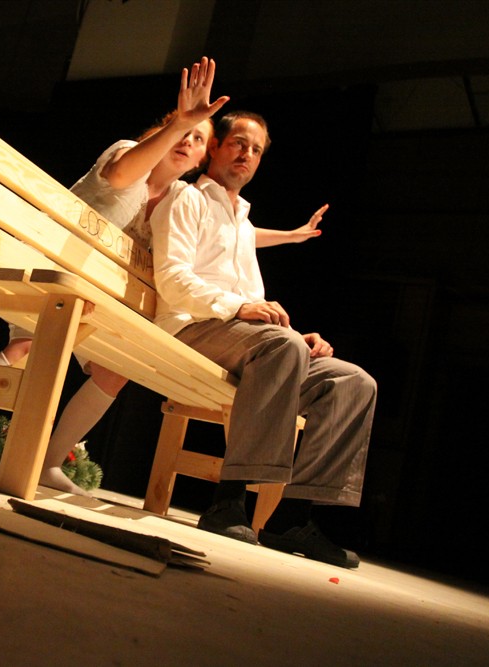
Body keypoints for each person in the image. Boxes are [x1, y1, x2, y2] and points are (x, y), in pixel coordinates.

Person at [0, 57, 229, 493]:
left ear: (201, 160)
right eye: (183, 129)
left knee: (114, 370)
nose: (187, 140)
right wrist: (181, 124)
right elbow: (121, 176)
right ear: (164, 128)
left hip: (91, 297)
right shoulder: (126, 151)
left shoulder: (177, 201)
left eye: (198, 138)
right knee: (28, 347)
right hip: (48, 269)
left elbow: (217, 242)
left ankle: (49, 463)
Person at [150, 110, 377, 569]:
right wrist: (242, 310)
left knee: (353, 382)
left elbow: (256, 306)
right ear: (215, 147)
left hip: (247, 339)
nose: (246, 154)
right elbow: (172, 279)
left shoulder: (242, 221)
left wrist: (293, 334)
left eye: (255, 150)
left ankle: (291, 518)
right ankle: (227, 502)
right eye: (238, 143)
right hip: (193, 328)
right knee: (281, 347)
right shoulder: (186, 198)